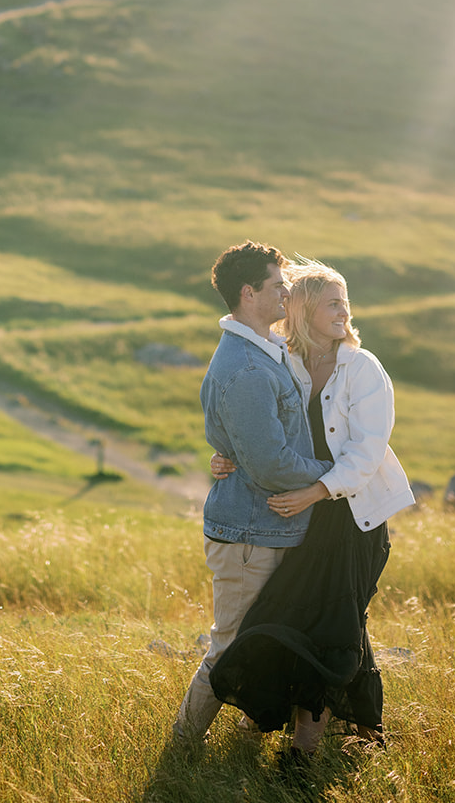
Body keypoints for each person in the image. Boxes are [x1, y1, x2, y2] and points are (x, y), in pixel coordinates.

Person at [207, 262, 414, 765]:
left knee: (331, 629)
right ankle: (364, 729)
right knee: (325, 624)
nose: (345, 312)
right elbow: (262, 430)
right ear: (301, 311)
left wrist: (314, 492)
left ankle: (304, 753)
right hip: (304, 519)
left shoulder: (363, 368)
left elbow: (365, 457)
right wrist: (229, 454)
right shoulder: (286, 362)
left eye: (346, 302)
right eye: (333, 303)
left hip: (353, 520)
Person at [171, 242, 334, 744]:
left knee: (268, 643)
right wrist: (337, 471)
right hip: (248, 533)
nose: (288, 293)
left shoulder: (267, 350)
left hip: (270, 528)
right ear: (248, 293)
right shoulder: (246, 367)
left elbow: (239, 440)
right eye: (278, 285)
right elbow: (269, 463)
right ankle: (181, 746)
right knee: (228, 646)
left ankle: (246, 745)